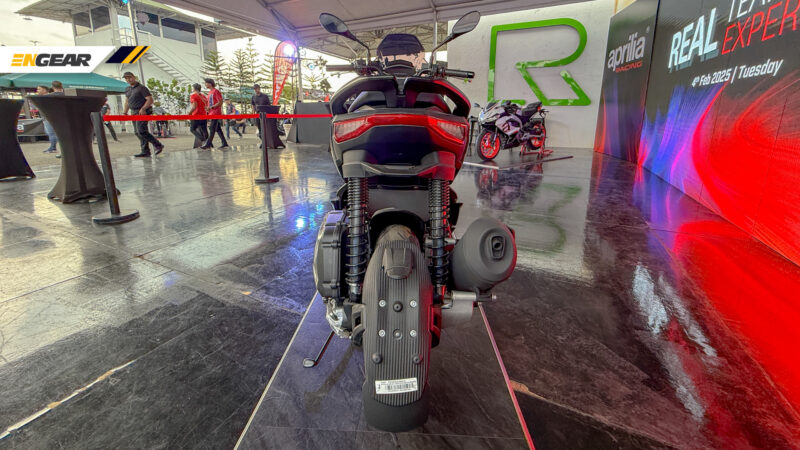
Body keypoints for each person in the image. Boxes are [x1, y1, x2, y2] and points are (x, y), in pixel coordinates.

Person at [122, 71, 164, 157]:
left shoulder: (141, 88)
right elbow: (127, 101)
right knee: (137, 132)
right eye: (126, 78)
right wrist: (125, 112)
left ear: (134, 77)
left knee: (141, 130)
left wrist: (143, 108)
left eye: (129, 77)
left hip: (142, 111)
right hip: (133, 112)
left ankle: (158, 145)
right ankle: (145, 151)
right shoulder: (127, 89)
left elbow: (150, 99)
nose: (128, 79)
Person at [201, 78, 228, 149]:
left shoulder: (216, 91)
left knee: (212, 128)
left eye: (206, 83)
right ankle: (224, 142)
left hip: (215, 112)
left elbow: (220, 102)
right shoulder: (210, 92)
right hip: (211, 112)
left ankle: (208, 143)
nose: (205, 84)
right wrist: (208, 108)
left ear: (210, 83)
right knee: (218, 129)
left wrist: (212, 107)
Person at [36, 85, 58, 154]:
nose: (37, 91)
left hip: (48, 118)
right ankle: (53, 147)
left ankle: (53, 148)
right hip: (46, 118)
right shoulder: (45, 97)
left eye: (39, 89)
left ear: (44, 90)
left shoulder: (47, 97)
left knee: (51, 133)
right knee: (49, 133)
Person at [188, 83, 208, 148]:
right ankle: (207, 142)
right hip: (204, 114)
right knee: (204, 129)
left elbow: (194, 106)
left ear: (194, 88)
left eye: (192, 87)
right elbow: (206, 104)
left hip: (196, 115)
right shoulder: (203, 96)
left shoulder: (193, 96)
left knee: (192, 129)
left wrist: (189, 113)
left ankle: (202, 139)